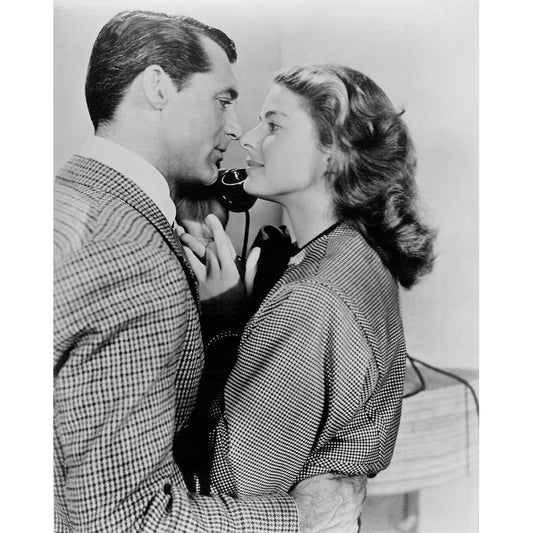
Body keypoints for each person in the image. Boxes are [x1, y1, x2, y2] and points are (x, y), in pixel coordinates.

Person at [54, 11, 366, 533]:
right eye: (223, 100)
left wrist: (218, 323)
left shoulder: (66, 201)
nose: (236, 128)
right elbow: (128, 523)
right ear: (157, 86)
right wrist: (305, 515)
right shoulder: (133, 260)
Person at [179, 64, 436, 497]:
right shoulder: (358, 251)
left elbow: (232, 489)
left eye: (273, 125)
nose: (248, 139)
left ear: (333, 152)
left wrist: (223, 328)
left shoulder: (310, 300)